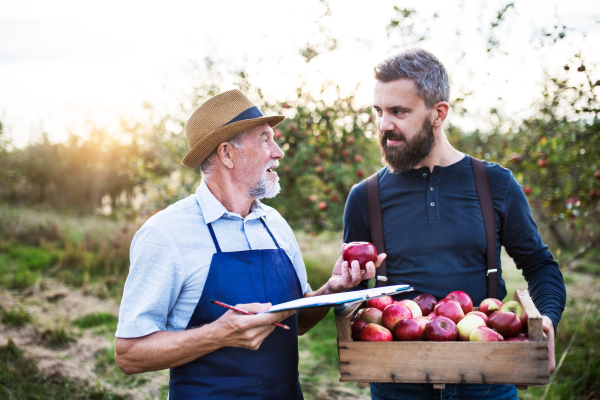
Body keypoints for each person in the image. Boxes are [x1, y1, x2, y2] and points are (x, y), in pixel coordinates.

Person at [114, 89, 384, 399]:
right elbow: (128, 354)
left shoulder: (275, 225)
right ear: (227, 153)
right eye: (265, 139)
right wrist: (219, 334)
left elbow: (297, 323)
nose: (279, 152)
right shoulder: (166, 234)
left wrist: (331, 290)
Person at [343, 49, 566, 400]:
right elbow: (352, 294)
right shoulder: (364, 196)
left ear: (438, 113)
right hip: (398, 382)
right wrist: (343, 292)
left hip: (487, 378)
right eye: (379, 112)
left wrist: (547, 318)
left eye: (399, 111)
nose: (384, 125)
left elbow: (540, 266)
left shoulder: (496, 184)